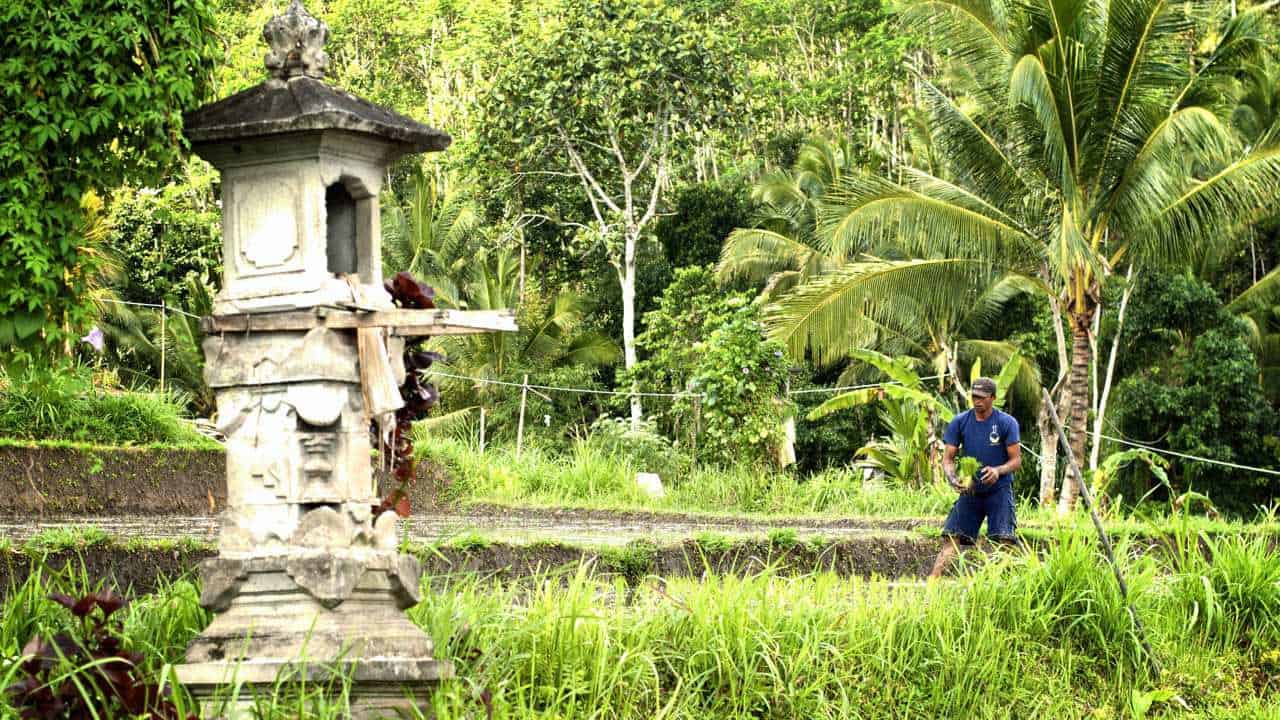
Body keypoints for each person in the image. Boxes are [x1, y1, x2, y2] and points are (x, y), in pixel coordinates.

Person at [928, 376, 1022, 579]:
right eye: (974, 396)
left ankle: (1002, 586)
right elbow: (948, 459)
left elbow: (1016, 461)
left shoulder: (1007, 423)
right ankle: (931, 587)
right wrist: (953, 478)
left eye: (981, 397)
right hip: (971, 492)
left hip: (999, 491)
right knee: (951, 538)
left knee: (1004, 540)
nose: (976, 401)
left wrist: (998, 470)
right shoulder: (960, 422)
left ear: (993, 398)